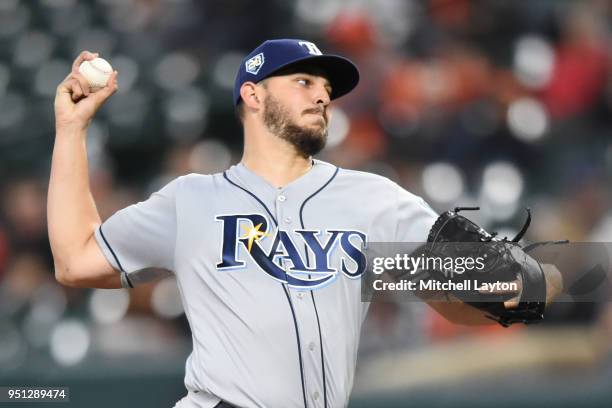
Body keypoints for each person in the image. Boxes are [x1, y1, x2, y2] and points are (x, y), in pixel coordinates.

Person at [49, 39, 562, 408]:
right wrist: (72, 130)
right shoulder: (191, 201)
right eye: (302, 81)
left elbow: (456, 305)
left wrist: (532, 287)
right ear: (252, 95)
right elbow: (75, 261)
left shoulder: (373, 199)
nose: (321, 95)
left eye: (325, 87)